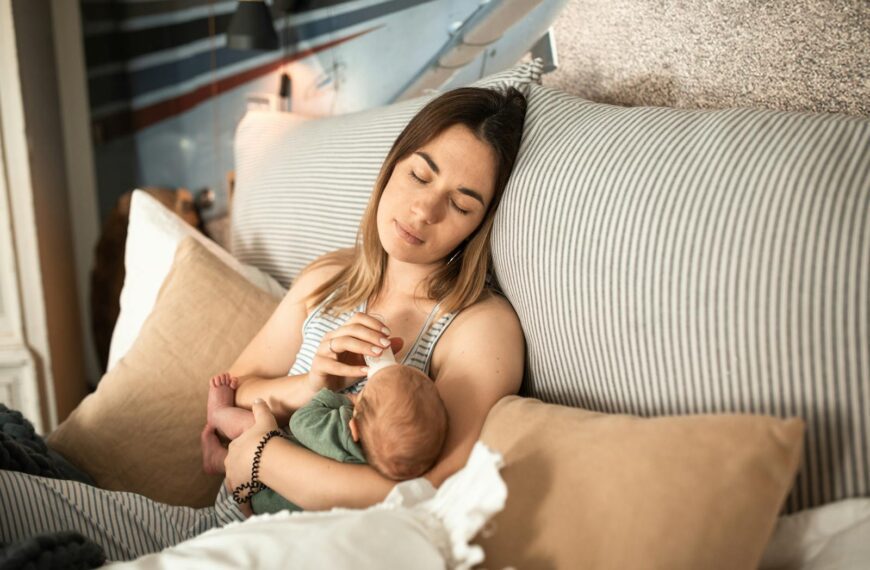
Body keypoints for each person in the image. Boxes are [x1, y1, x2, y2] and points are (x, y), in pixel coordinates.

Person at [0, 84, 528, 562]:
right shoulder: (328, 278)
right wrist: (314, 384)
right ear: (392, 165)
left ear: (479, 226)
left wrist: (260, 455)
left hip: (283, 549)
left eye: (461, 204)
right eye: (419, 174)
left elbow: (429, 492)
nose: (424, 210)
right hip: (207, 528)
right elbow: (236, 388)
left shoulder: (478, 326)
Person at [201, 364, 448, 515]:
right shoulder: (386, 463)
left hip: (267, 494)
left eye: (362, 394)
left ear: (354, 427)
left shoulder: (340, 433)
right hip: (283, 510)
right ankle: (219, 458)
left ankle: (218, 415)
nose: (357, 395)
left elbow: (301, 421)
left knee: (255, 426)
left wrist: (342, 400)